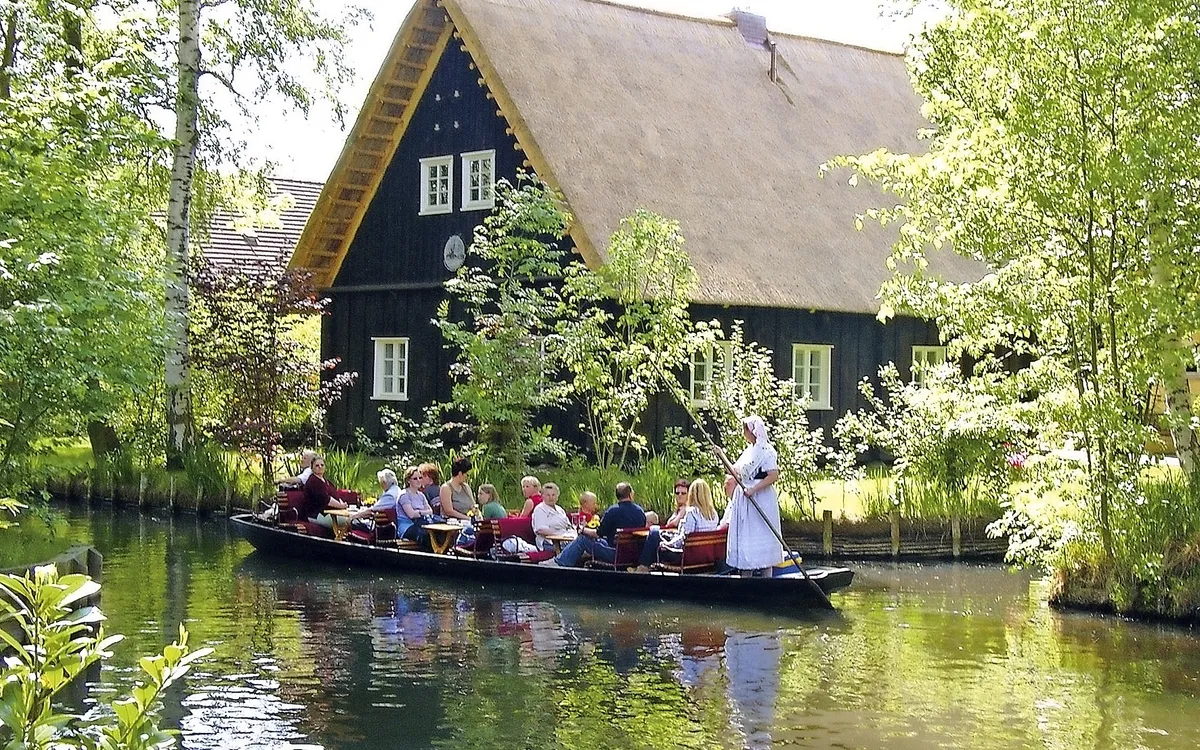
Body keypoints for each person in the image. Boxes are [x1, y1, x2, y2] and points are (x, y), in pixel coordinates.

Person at [717, 416, 783, 577]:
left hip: (760, 498)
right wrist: (721, 455)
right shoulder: (749, 452)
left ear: (752, 431)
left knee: (761, 535)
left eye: (744, 429)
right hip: (745, 499)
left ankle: (767, 578)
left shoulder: (766, 452)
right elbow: (734, 472)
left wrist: (754, 489)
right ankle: (745, 576)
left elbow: (773, 475)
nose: (743, 433)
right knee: (746, 537)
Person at [543, 482, 646, 567]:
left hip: (616, 555)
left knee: (582, 540)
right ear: (630, 495)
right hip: (635, 555)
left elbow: (598, 533)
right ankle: (564, 560)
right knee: (600, 540)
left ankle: (559, 563)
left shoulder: (613, 511)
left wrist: (583, 530)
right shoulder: (640, 511)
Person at [635, 478, 721, 570]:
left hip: (686, 556)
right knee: (657, 534)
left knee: (654, 532)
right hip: (704, 556)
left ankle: (642, 566)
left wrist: (668, 544)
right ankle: (644, 567)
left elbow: (683, 538)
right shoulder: (713, 514)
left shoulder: (692, 512)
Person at [300, 455, 348, 531]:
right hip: (316, 515)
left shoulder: (327, 481)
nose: (320, 467)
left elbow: (335, 495)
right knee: (348, 520)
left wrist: (344, 505)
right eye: (317, 465)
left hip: (330, 513)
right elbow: (326, 500)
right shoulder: (313, 481)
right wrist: (341, 506)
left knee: (353, 518)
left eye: (322, 465)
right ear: (312, 468)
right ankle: (339, 539)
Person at [396, 466, 436, 543]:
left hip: (422, 524)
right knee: (427, 536)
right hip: (407, 528)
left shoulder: (421, 495)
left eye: (420, 478)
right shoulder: (404, 495)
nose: (418, 481)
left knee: (438, 533)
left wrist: (418, 512)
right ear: (408, 481)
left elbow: (430, 511)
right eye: (415, 479)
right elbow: (411, 514)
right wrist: (423, 512)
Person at [531, 483, 575, 551]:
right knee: (574, 550)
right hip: (549, 543)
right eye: (548, 495)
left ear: (557, 496)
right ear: (543, 496)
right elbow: (540, 529)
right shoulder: (540, 509)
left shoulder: (560, 510)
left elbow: (569, 526)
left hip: (566, 540)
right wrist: (560, 535)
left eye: (553, 495)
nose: (551, 498)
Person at [439, 456, 476, 521]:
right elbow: (449, 511)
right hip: (453, 522)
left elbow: (473, 505)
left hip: (468, 520)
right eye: (467, 475)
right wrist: (467, 518)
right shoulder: (446, 488)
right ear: (460, 474)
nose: (468, 477)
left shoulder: (466, 487)